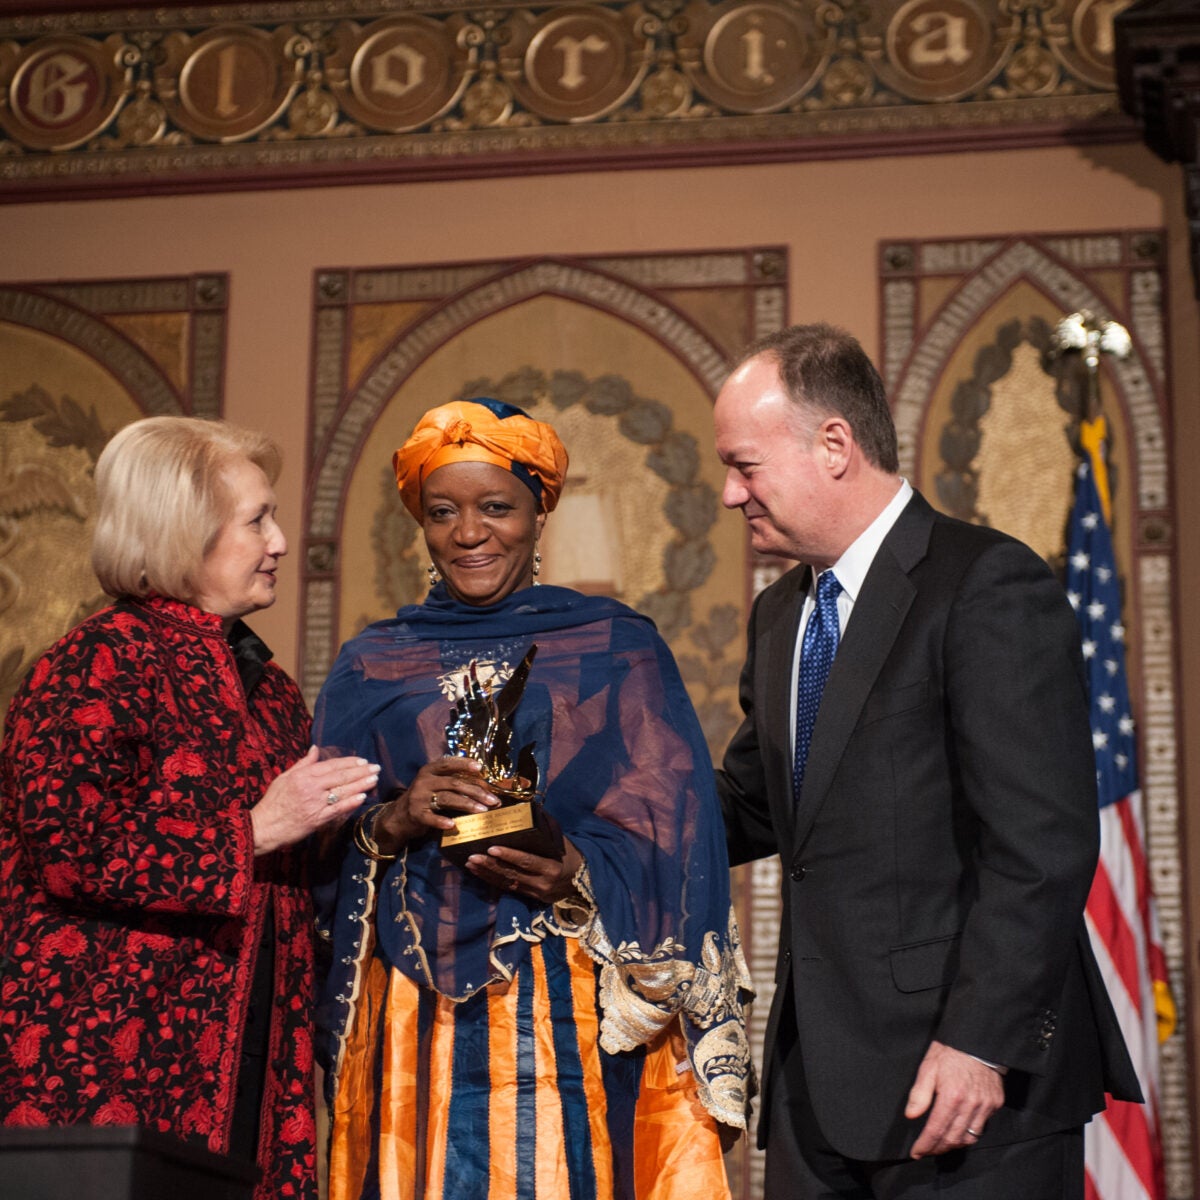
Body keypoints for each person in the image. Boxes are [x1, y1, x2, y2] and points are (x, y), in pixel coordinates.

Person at [712, 325, 1141, 1200]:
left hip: (969, 1087)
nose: (730, 494)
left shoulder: (985, 583)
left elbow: (1041, 846)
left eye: (745, 465)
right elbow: (754, 808)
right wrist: (580, 823)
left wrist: (981, 1040)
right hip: (816, 1090)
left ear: (834, 445)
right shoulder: (780, 616)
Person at [313, 397, 751, 1200]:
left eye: (496, 508)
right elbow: (307, 851)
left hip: (566, 998)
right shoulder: (371, 663)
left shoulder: (617, 647)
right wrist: (392, 819)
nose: (469, 532)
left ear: (539, 510)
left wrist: (575, 868)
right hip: (411, 1011)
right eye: (442, 511)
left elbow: (676, 839)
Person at [0, 416, 379, 1199]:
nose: (278, 541)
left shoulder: (268, 687)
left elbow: (300, 864)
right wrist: (256, 829)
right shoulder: (90, 664)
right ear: (181, 534)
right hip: (109, 1062)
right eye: (256, 520)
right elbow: (71, 849)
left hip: (255, 1057)